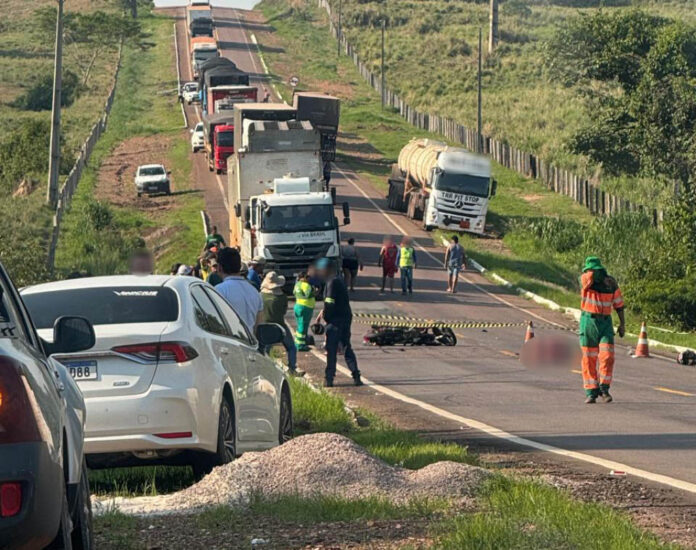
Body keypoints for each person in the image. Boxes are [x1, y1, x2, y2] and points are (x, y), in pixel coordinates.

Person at [579, 256, 625, 404]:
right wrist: (593, 271)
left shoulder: (610, 283)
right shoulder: (586, 280)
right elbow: (589, 278)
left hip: (605, 323)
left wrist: (622, 324)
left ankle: (604, 389)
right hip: (588, 322)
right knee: (589, 359)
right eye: (591, 270)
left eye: (595, 270)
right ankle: (591, 392)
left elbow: (618, 304)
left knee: (607, 356)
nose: (593, 273)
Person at [316, 258, 362, 388]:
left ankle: (329, 378)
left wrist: (326, 318)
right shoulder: (339, 280)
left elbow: (330, 302)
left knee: (332, 350)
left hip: (335, 321)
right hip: (345, 318)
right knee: (346, 347)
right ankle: (356, 375)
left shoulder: (331, 282)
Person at [215, 247, 264, 332]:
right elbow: (258, 325)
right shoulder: (254, 291)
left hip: (228, 343)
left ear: (219, 267)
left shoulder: (218, 291)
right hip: (251, 343)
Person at [261, 272, 298, 374]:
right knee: (291, 347)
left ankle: (265, 369)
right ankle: (292, 368)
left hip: (265, 326)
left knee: (265, 349)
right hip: (280, 325)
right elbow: (283, 311)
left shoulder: (261, 296)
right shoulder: (282, 297)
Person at [293, 272, 316, 351]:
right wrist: (315, 292)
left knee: (299, 325)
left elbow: (294, 293)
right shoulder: (306, 285)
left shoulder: (297, 284)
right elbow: (308, 295)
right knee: (303, 326)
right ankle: (300, 345)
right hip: (305, 307)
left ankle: (298, 342)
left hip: (298, 306)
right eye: (308, 278)